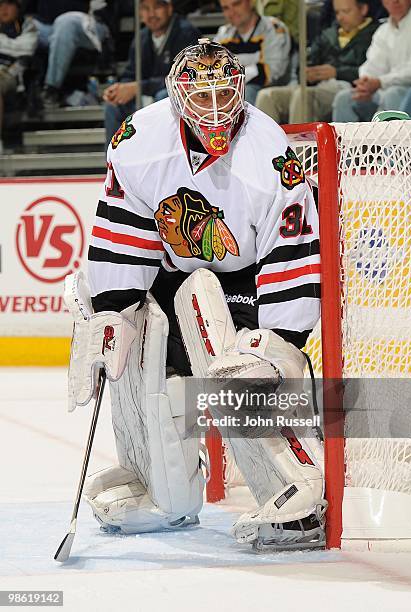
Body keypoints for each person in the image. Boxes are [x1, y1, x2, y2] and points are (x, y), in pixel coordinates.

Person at [68, 39, 325, 550]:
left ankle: (296, 489)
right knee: (135, 349)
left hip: (248, 276)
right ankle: (163, 490)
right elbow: (122, 232)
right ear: (175, 95)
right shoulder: (140, 138)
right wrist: (112, 314)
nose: (214, 108)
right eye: (199, 95)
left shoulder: (271, 152)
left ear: (241, 90)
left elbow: (293, 250)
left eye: (223, 92)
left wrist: (277, 343)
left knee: (234, 367)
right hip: (172, 270)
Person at [256, 0, 378, 124]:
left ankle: (301, 143)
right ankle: (264, 143)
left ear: (363, 9)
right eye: (337, 12)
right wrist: (308, 73)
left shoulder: (375, 34)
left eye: (346, 11)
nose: (340, 17)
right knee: (267, 96)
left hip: (346, 87)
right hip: (316, 86)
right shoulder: (328, 34)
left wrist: (336, 73)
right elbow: (306, 62)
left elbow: (373, 72)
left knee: (302, 96)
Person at [103, 0, 200, 147]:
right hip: (147, 96)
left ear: (169, 8)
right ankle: (114, 165)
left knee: (164, 98)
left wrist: (138, 87)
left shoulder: (186, 32)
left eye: (157, 7)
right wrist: (118, 89)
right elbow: (131, 73)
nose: (151, 14)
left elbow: (183, 80)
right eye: (146, 8)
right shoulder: (141, 37)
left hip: (180, 100)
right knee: (113, 106)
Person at [332, 0, 411, 122]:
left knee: (392, 94)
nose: (394, 1)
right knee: (344, 98)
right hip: (383, 89)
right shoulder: (383, 30)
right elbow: (372, 65)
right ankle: (344, 141)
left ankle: (392, 141)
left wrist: (380, 82)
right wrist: (365, 84)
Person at [23, 1, 113, 109]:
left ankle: (51, 89)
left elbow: (102, 9)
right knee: (29, 25)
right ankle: (21, 89)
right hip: (50, 29)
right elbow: (28, 11)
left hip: (89, 24)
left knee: (65, 22)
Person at [215, 0, 290, 105]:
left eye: (236, 4)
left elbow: (272, 71)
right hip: (234, 88)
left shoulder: (273, 28)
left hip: (275, 90)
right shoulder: (223, 34)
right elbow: (213, 69)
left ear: (250, 2)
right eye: (226, 8)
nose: (232, 12)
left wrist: (231, 75)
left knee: (245, 90)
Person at [0, 0, 37, 154]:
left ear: (18, 7)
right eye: (0, 5)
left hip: (11, 75)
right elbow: (18, 47)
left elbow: (27, 49)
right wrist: (12, 45)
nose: (4, 9)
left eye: (8, 4)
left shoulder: (28, 25)